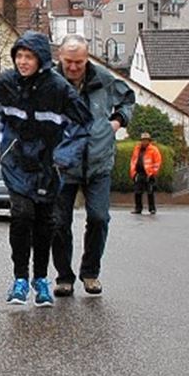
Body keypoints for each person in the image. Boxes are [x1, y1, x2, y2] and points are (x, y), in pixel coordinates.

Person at [0, 31, 91, 308]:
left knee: (46, 222)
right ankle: (20, 278)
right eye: (19, 56)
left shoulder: (59, 89)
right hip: (16, 161)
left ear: (41, 59)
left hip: (49, 164)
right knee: (21, 215)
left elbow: (82, 126)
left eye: (28, 57)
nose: (22, 62)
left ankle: (41, 279)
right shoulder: (4, 84)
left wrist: (62, 156)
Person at [52, 34, 136, 297]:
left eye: (79, 61)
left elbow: (128, 98)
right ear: (60, 58)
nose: (74, 67)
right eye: (69, 61)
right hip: (62, 165)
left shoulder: (103, 79)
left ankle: (90, 273)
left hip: (98, 163)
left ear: (86, 58)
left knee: (99, 218)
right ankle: (64, 277)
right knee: (58, 223)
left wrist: (117, 122)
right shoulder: (50, 83)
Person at [130, 132, 162, 215]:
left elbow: (157, 162)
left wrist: (153, 173)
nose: (144, 142)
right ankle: (138, 209)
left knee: (150, 192)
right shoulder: (137, 149)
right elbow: (133, 161)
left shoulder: (153, 149)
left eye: (146, 140)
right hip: (139, 173)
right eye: (143, 140)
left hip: (149, 174)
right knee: (137, 192)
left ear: (149, 141)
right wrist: (133, 173)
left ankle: (152, 209)